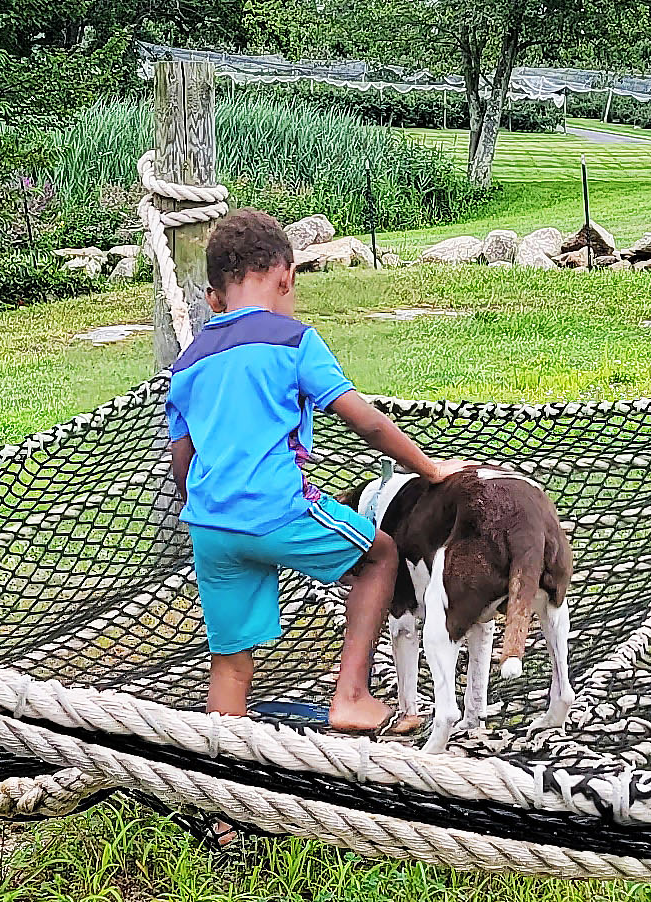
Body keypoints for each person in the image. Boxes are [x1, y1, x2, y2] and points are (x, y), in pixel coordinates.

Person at [168, 207, 467, 727]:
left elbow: (182, 463)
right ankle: (351, 695)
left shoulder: (187, 362)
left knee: (230, 662)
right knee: (379, 556)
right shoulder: (293, 341)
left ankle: (220, 799)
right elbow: (366, 424)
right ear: (287, 277)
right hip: (277, 510)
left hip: (211, 527)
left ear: (213, 298)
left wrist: (211, 505)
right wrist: (428, 469)